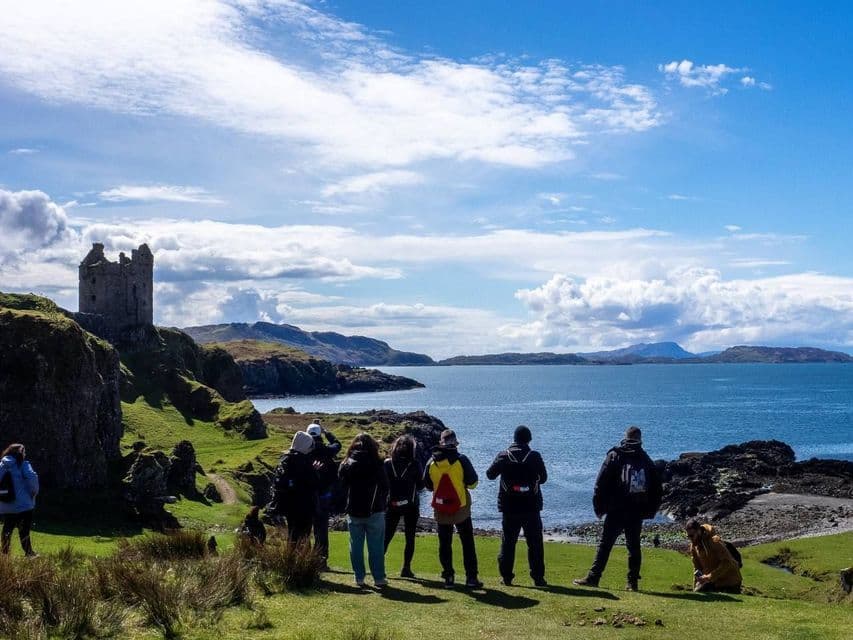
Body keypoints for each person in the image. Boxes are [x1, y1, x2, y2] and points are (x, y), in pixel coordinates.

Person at [573, 426, 662, 591]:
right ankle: (632, 582)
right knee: (633, 546)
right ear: (640, 439)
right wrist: (650, 511)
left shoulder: (615, 455)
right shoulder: (644, 458)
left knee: (605, 544)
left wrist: (599, 507)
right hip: (636, 510)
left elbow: (600, 483)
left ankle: (594, 577)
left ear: (625, 437)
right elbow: (657, 487)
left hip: (616, 509)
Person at [486, 425, 548, 587]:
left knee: (508, 542)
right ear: (529, 439)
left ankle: (506, 577)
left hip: (509, 506)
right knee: (534, 543)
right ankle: (538, 578)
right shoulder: (534, 456)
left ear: (514, 439)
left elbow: (490, 474)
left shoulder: (504, 456)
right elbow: (544, 478)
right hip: (531, 506)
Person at [424, 429, 482, 589]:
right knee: (467, 543)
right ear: (455, 443)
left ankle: (448, 577)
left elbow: (428, 486)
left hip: (441, 508)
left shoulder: (431, 462)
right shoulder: (461, 460)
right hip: (461, 508)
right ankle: (471, 578)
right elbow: (474, 483)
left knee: (444, 543)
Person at [338, 433, 389, 588]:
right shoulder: (378, 463)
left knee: (356, 545)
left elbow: (341, 483)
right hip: (375, 509)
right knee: (376, 546)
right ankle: (379, 578)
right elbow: (385, 486)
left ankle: (359, 577)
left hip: (354, 509)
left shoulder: (346, 463)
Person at [383, 435, 424, 578]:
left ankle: (378, 565)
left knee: (387, 535)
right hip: (411, 504)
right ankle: (406, 568)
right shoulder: (415, 464)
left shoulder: (388, 463)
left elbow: (383, 484)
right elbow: (420, 485)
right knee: (410, 537)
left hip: (392, 503)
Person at [268, 431, 317, 544]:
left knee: (292, 535)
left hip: (288, 505)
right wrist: (315, 471)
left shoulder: (285, 459)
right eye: (310, 446)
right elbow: (313, 484)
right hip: (303, 506)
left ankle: (291, 559)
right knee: (303, 538)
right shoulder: (303, 462)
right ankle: (301, 561)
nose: (311, 449)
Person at [307, 420, 341, 565]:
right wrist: (327, 431)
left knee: (305, 528)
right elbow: (338, 444)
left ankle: (305, 559)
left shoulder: (304, 451)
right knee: (321, 530)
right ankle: (322, 559)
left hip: (307, 496)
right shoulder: (327, 451)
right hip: (325, 496)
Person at [0, 443, 39, 557]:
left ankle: (4, 554)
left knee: (7, 529)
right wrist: (33, 493)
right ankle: (29, 553)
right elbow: (32, 479)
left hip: (6, 504)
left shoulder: (2, 465)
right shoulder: (23, 464)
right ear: (21, 453)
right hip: (24, 505)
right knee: (24, 530)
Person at [685, 519, 743, 593]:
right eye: (688, 536)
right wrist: (695, 587)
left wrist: (710, 577)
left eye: (692, 536)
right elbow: (697, 568)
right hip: (712, 581)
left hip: (730, 581)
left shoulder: (714, 541)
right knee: (699, 591)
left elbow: (727, 562)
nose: (690, 539)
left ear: (699, 531)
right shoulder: (694, 546)